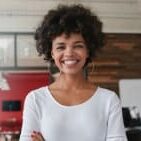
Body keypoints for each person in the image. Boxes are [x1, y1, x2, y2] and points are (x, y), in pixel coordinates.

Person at [19, 4, 127, 141]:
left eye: (78, 46)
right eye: (60, 47)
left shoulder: (109, 101)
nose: (69, 53)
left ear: (88, 50)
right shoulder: (35, 100)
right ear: (52, 52)